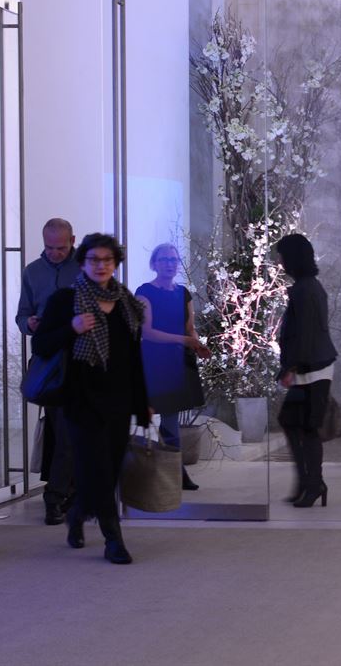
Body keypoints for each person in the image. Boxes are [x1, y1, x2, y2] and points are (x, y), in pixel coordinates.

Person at [32, 233, 151, 564]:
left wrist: (142, 401)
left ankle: (77, 513)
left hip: (118, 400)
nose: (101, 266)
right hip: (80, 399)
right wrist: (71, 328)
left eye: (107, 260)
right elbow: (40, 345)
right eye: (94, 260)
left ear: (116, 263)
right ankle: (114, 540)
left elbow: (133, 359)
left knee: (108, 470)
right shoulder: (65, 300)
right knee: (96, 468)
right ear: (82, 263)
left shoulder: (126, 303)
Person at [16, 218, 80, 525]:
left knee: (73, 433)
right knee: (62, 432)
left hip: (82, 359)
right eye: (49, 247)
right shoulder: (33, 271)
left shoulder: (86, 268)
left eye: (61, 248)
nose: (54, 253)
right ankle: (56, 497)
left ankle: (67, 494)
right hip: (51, 361)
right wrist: (29, 323)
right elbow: (22, 314)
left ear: (72, 241)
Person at [134, 243, 211, 490]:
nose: (169, 264)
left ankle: (172, 472)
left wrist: (196, 344)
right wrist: (185, 340)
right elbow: (147, 332)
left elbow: (190, 328)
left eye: (173, 260)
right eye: (164, 259)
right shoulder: (144, 292)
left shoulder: (183, 293)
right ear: (154, 264)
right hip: (156, 361)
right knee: (166, 418)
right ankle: (175, 472)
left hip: (180, 360)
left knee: (170, 417)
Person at [274, 233, 338, 508]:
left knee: (306, 427)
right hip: (311, 368)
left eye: (281, 255)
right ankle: (308, 482)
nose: (279, 261)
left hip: (311, 370)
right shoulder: (307, 287)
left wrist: (290, 368)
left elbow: (305, 335)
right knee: (293, 423)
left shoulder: (305, 289)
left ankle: (313, 484)